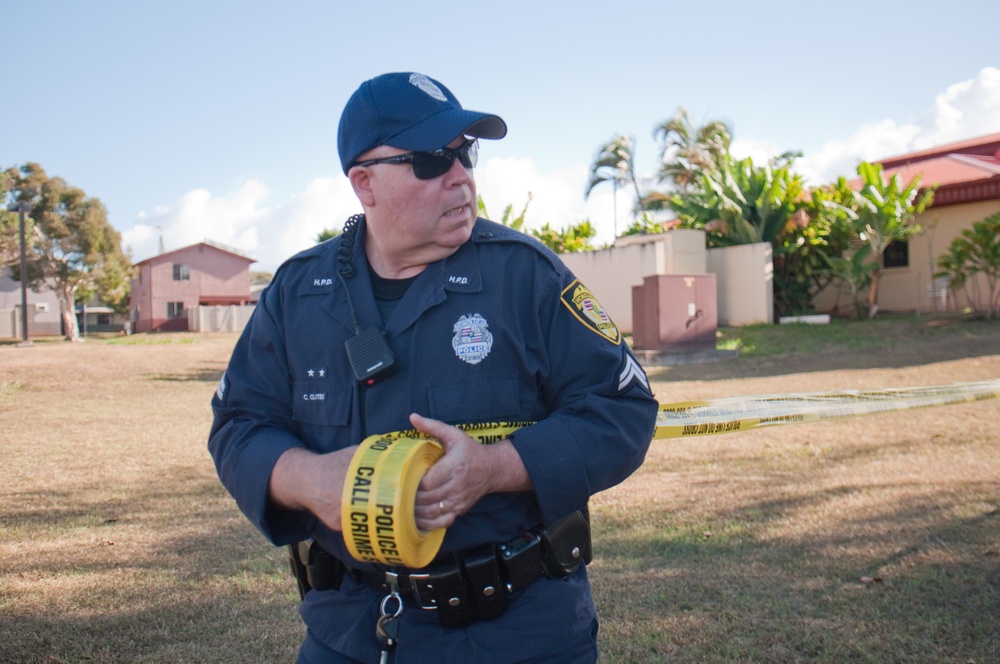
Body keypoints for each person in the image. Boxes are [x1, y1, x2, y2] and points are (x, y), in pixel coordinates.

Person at [209, 72, 659, 663]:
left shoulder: (526, 278)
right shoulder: (298, 293)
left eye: (464, 154)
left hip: (521, 633)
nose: (461, 176)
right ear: (364, 183)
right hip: (349, 631)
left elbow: (621, 410)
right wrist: (307, 480)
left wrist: (496, 467)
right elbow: (239, 424)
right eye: (428, 161)